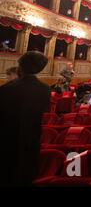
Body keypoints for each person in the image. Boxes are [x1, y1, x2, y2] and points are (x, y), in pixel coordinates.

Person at [0, 51, 51, 186]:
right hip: (31, 142)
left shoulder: (6, 88)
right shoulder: (45, 89)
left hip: (7, 141)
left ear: (20, 66)